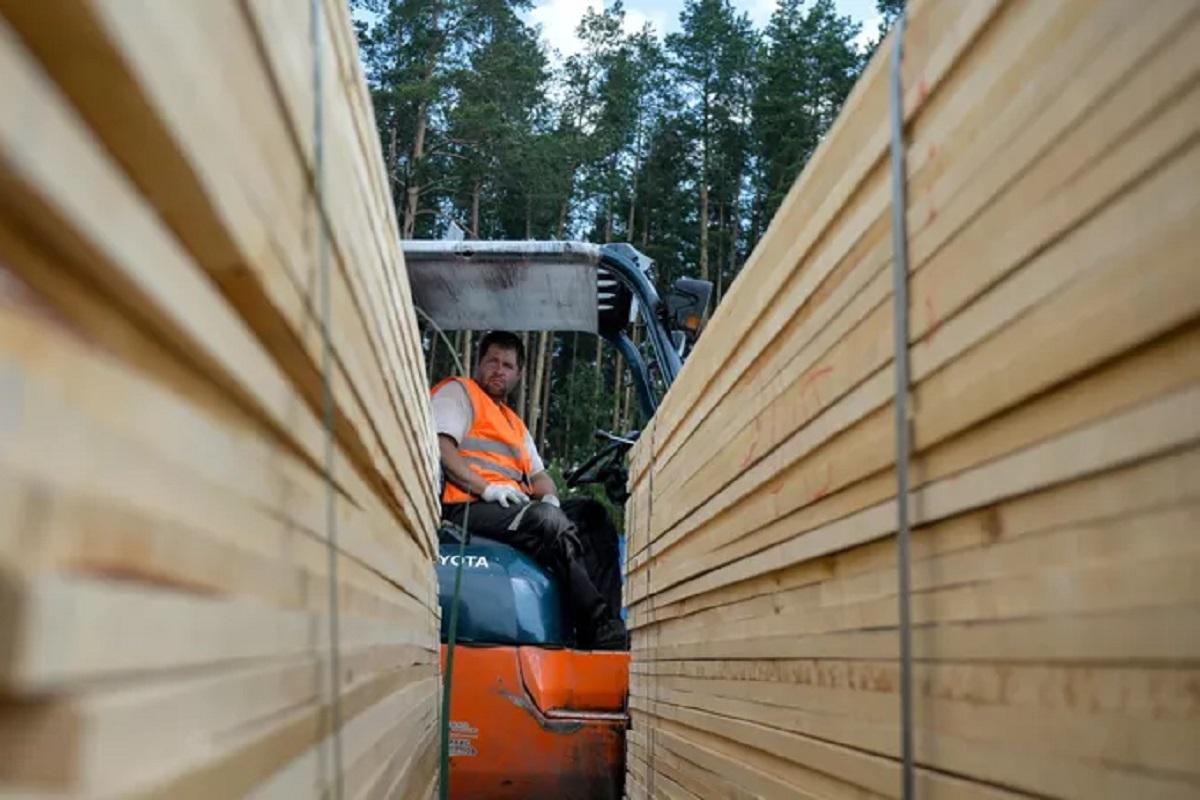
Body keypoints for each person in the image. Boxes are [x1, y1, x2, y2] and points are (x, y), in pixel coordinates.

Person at [431, 330, 628, 649]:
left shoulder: (513, 423)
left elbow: (539, 476)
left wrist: (550, 496)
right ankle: (596, 621)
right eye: (492, 361)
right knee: (547, 522)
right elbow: (443, 449)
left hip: (510, 506)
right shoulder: (460, 393)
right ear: (479, 364)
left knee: (592, 516)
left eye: (507, 365)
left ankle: (607, 628)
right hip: (467, 506)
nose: (499, 370)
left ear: (518, 374)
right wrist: (487, 489)